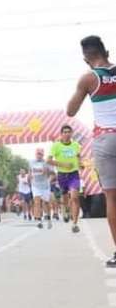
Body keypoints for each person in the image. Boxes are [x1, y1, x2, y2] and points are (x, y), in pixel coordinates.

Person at [66, 35, 116, 266]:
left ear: (86, 57)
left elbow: (71, 111)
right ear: (106, 51)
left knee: (112, 197)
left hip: (106, 140)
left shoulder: (89, 78)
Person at [48, 124, 83, 233]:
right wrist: (63, 164)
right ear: (61, 134)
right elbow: (48, 160)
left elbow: (78, 157)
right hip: (62, 175)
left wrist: (80, 164)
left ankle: (75, 224)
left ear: (72, 133)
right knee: (65, 198)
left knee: (75, 197)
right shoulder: (56, 146)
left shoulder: (76, 145)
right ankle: (66, 210)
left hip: (74, 174)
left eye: (69, 132)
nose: (67, 134)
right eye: (65, 132)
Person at [29, 148, 53, 229]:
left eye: (40, 154)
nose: (39, 155)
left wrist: (47, 172)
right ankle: (39, 221)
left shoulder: (47, 162)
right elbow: (30, 172)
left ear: (43, 155)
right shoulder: (31, 162)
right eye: (37, 154)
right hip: (35, 185)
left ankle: (49, 218)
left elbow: (53, 173)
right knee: (37, 201)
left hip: (45, 185)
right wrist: (29, 178)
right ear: (35, 154)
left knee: (46, 203)